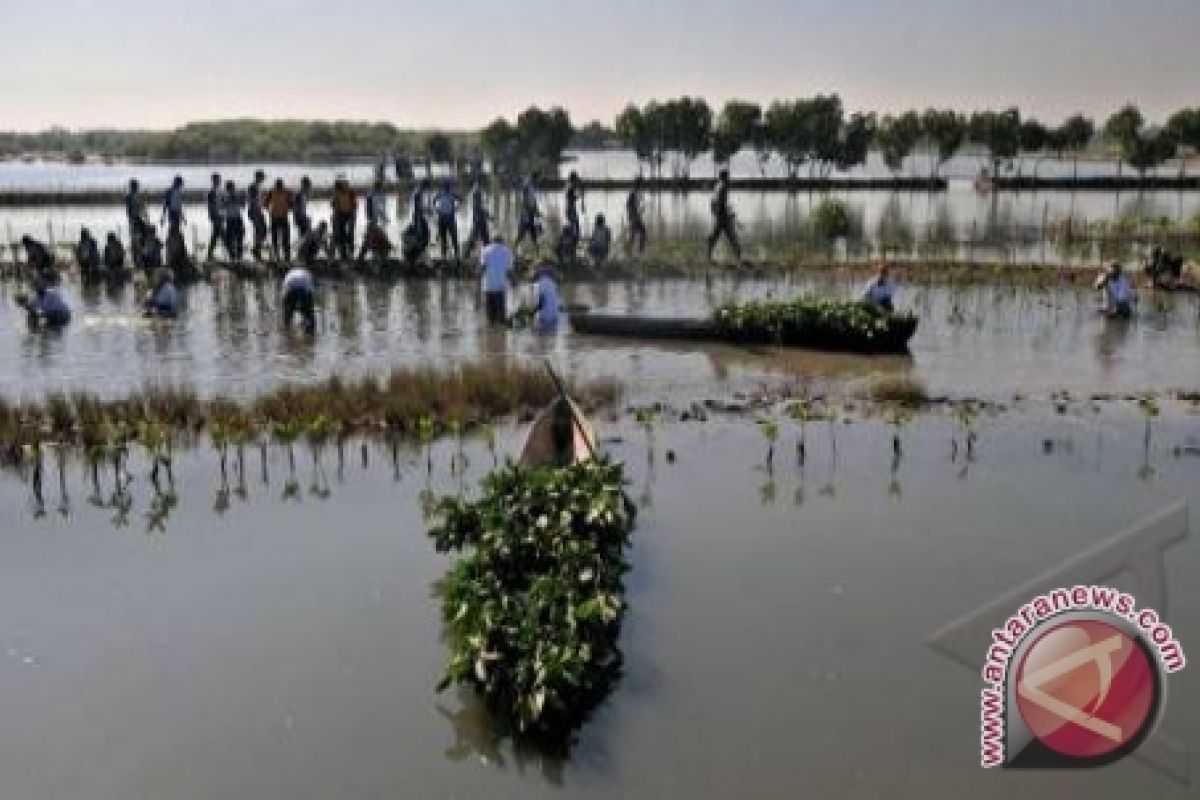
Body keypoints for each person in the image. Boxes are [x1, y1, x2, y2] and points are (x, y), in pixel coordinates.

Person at [707, 169, 740, 260]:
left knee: (714, 237)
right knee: (732, 237)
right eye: (728, 177)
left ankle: (709, 256)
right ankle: (738, 258)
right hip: (723, 216)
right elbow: (721, 202)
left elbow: (714, 202)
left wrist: (716, 212)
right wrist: (728, 214)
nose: (729, 179)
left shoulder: (718, 186)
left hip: (720, 215)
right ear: (724, 177)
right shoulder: (723, 187)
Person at [480, 234, 513, 325]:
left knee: (490, 316)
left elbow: (483, 267)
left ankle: (491, 334)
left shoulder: (485, 250)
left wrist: (478, 282)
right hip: (500, 287)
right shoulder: (506, 251)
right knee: (501, 315)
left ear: (492, 240)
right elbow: (509, 271)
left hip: (488, 286)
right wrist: (514, 282)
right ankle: (501, 335)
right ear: (502, 241)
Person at [358, 179, 392, 262]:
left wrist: (385, 218)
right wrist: (374, 220)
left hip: (378, 220)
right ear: (378, 187)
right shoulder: (372, 196)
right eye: (382, 187)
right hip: (374, 220)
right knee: (371, 240)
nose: (383, 188)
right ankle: (364, 258)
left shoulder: (379, 195)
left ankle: (371, 257)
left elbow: (382, 208)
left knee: (374, 240)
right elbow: (372, 209)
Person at [264, 178, 294, 262]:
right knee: (275, 239)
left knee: (286, 238)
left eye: (280, 185)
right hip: (274, 217)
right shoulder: (271, 191)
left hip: (284, 217)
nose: (279, 187)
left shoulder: (287, 192)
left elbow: (292, 204)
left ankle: (287, 257)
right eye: (278, 186)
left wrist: (288, 209)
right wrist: (270, 211)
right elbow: (265, 203)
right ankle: (277, 257)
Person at [280, 265, 316, 333]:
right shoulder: (307, 273)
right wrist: (309, 306)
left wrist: (285, 305)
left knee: (288, 312)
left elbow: (284, 290)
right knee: (308, 312)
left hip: (291, 287)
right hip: (303, 288)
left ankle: (286, 329)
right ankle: (311, 330)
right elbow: (310, 291)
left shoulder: (289, 273)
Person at [433, 180, 462, 260]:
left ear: (449, 187)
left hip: (450, 217)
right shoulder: (440, 193)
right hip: (441, 217)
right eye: (445, 187)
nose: (446, 189)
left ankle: (457, 254)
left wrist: (456, 208)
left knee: (454, 236)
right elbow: (434, 201)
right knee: (443, 237)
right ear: (443, 188)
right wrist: (437, 209)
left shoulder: (452, 193)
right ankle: (444, 255)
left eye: (447, 187)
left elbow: (461, 199)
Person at [330, 177, 358, 261]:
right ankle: (343, 255)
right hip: (340, 215)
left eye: (346, 185)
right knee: (340, 235)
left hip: (349, 215)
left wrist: (352, 218)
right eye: (345, 185)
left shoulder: (351, 193)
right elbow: (333, 205)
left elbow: (355, 206)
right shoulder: (337, 193)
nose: (346, 186)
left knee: (350, 235)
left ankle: (350, 254)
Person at [125, 179, 149, 267]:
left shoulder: (139, 196)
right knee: (135, 239)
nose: (136, 188)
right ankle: (136, 258)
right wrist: (132, 219)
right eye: (134, 186)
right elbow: (129, 210)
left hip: (138, 218)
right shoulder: (129, 196)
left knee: (144, 234)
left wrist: (145, 216)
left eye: (136, 186)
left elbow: (142, 207)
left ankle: (143, 253)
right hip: (133, 219)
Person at [515, 172, 542, 251]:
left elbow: (533, 200)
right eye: (537, 179)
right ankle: (514, 249)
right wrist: (531, 210)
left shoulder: (531, 187)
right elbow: (525, 201)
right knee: (522, 233)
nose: (537, 182)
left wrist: (536, 211)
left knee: (533, 233)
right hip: (526, 214)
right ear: (534, 178)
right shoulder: (527, 186)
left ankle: (537, 251)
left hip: (530, 214)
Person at [464, 179, 490, 258]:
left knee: (483, 237)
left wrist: (486, 214)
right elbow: (478, 207)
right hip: (478, 219)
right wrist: (487, 215)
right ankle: (466, 254)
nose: (478, 186)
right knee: (477, 237)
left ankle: (467, 254)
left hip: (478, 218)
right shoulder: (475, 193)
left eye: (479, 184)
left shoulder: (474, 193)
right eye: (477, 184)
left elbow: (481, 206)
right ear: (474, 185)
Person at [531, 265, 560, 332]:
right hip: (555, 317)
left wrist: (532, 312)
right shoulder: (554, 284)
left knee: (535, 334)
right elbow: (557, 302)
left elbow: (538, 302)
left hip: (545, 318)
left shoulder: (538, 284)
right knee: (551, 337)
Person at [221, 180, 245, 261]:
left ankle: (239, 256)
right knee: (229, 239)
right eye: (229, 188)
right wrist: (227, 202)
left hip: (237, 218)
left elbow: (243, 206)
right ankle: (233, 256)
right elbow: (221, 209)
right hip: (230, 219)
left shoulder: (237, 195)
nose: (231, 190)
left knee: (239, 238)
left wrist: (240, 200)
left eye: (232, 188)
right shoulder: (224, 197)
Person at [247, 170, 268, 261]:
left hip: (258, 211)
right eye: (262, 177)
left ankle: (256, 249)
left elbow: (258, 200)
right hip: (254, 211)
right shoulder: (253, 186)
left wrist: (263, 205)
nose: (263, 179)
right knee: (260, 230)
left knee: (262, 231)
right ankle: (256, 250)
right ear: (258, 177)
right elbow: (252, 200)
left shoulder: (257, 186)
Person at [626, 175, 647, 255]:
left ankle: (630, 252)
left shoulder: (636, 191)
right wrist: (633, 216)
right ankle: (639, 252)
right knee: (642, 233)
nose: (643, 185)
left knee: (634, 235)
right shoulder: (634, 192)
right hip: (634, 217)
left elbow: (633, 205)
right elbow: (629, 205)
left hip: (635, 216)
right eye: (642, 183)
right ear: (639, 183)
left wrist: (640, 209)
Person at [206, 173, 224, 260]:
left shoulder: (219, 190)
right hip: (216, 216)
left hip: (219, 215)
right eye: (217, 179)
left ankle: (210, 253)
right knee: (221, 234)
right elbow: (210, 206)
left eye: (219, 179)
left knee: (216, 234)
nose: (219, 181)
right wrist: (212, 216)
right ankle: (231, 253)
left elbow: (220, 204)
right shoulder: (212, 192)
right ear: (214, 180)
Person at [564, 171, 584, 241]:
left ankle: (574, 241)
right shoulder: (570, 186)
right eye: (576, 178)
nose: (577, 180)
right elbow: (570, 197)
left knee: (574, 225)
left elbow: (571, 197)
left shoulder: (569, 185)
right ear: (573, 178)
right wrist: (579, 195)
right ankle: (573, 241)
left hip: (570, 208)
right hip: (571, 209)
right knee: (575, 226)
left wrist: (578, 195)